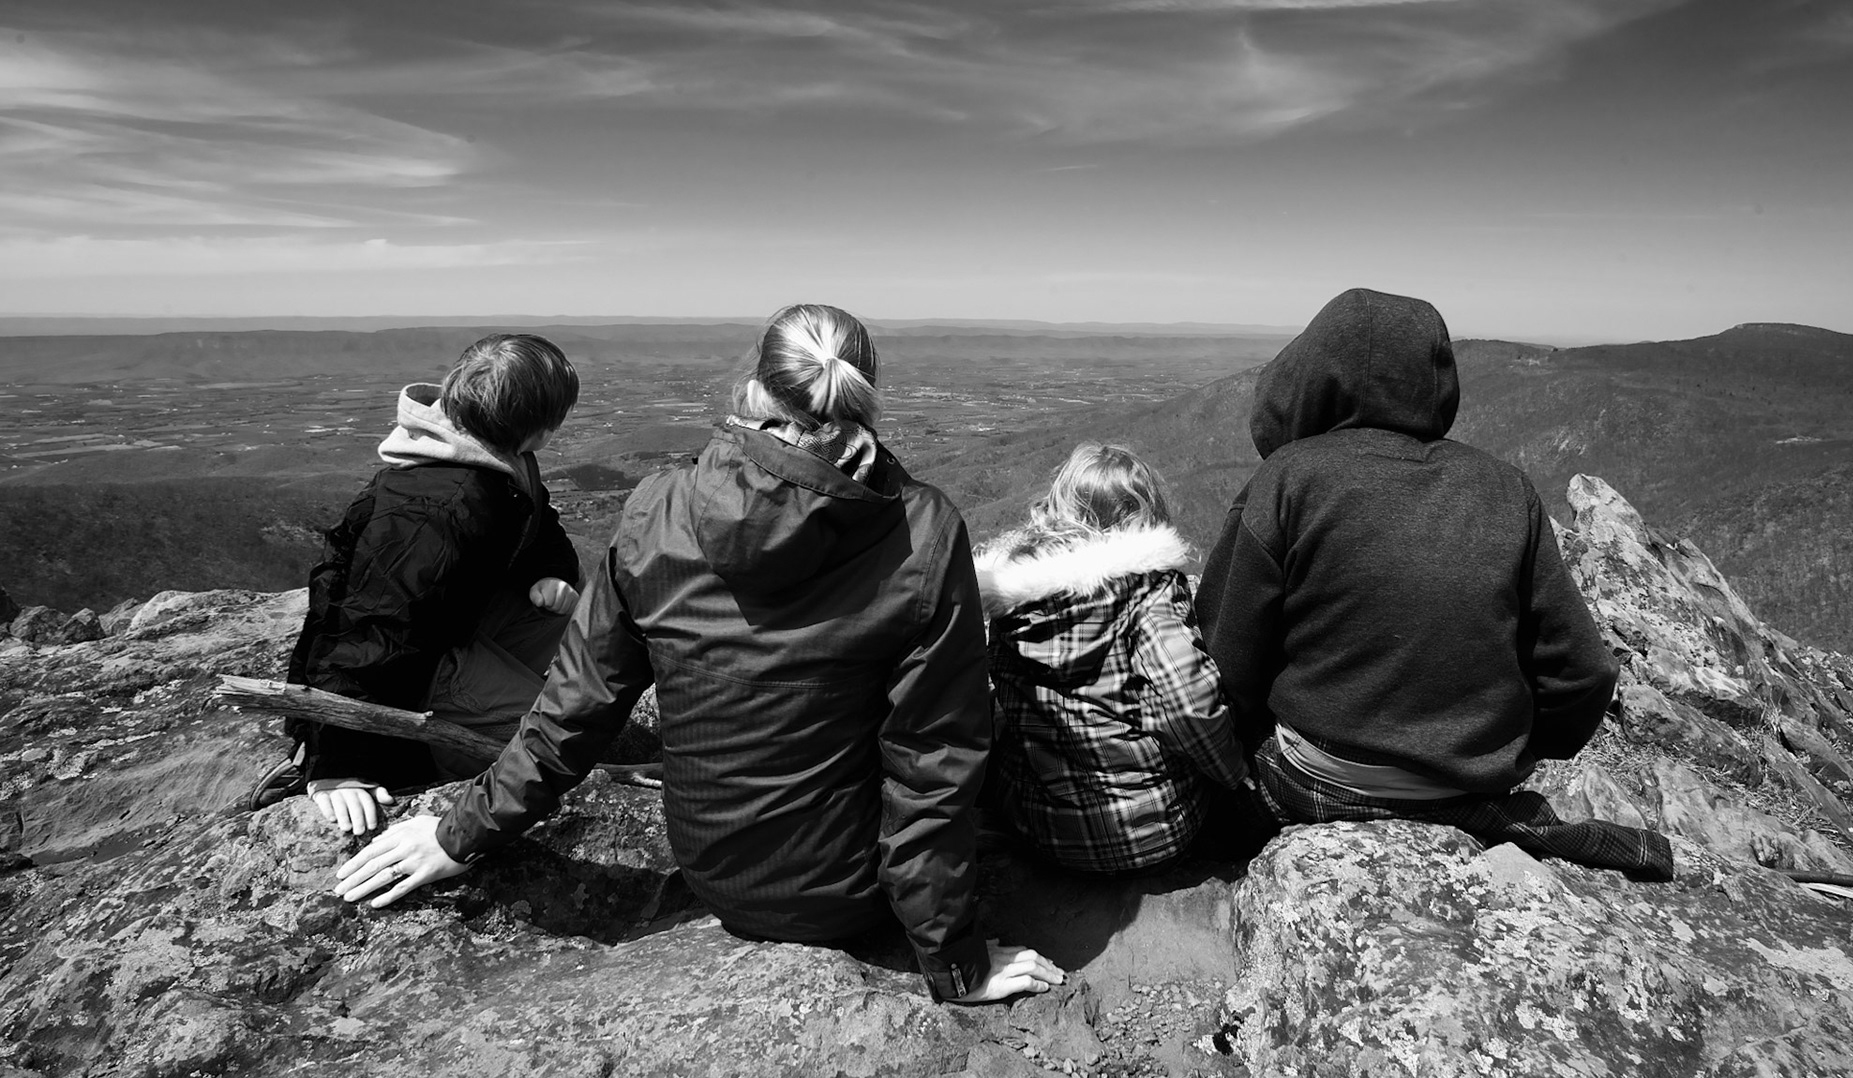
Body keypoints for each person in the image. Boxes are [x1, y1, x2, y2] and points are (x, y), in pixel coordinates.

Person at [333, 304, 1064, 1004]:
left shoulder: (658, 507)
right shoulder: (922, 531)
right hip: (849, 897)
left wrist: (458, 833)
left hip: (714, 870)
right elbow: (934, 760)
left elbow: (574, 707)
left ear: (752, 389)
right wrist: (953, 960)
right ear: (864, 398)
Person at [1194, 287, 1672, 879]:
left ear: (1306, 378)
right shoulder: (1508, 490)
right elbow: (1584, 674)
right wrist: (1503, 750)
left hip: (1313, 779)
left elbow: (1224, 657)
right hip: (1471, 794)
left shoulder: (1287, 481)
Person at [269, 333, 584, 835]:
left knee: (572, 593)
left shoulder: (495, 457)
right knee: (553, 743)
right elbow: (368, 626)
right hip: (415, 658)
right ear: (540, 428)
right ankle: (426, 756)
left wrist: (549, 573)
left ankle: (487, 695)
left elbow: (539, 524)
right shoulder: (436, 509)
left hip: (445, 629)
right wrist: (338, 762)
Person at [973, 443, 1250, 874]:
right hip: (1158, 830)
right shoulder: (1150, 590)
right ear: (1144, 508)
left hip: (1046, 831)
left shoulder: (1009, 600)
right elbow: (1190, 705)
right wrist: (1235, 776)